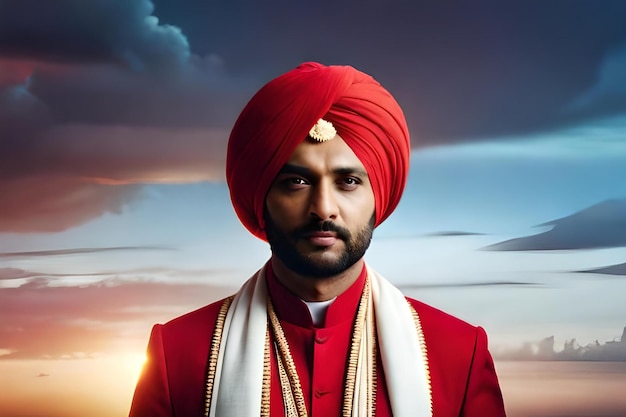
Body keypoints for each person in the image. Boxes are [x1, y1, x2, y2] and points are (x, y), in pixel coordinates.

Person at [129, 62, 506, 417]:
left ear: (379, 197)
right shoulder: (178, 352)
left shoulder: (458, 353)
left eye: (349, 182)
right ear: (262, 197)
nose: (323, 209)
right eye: (297, 181)